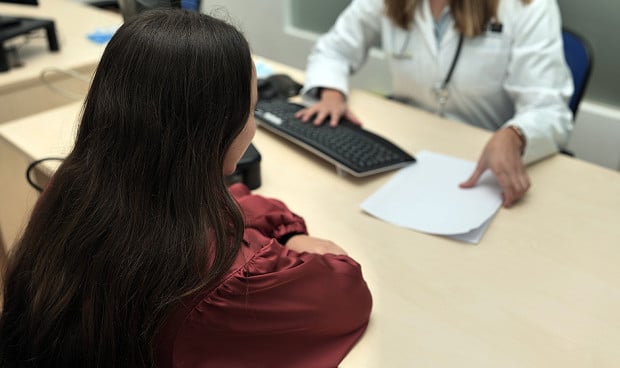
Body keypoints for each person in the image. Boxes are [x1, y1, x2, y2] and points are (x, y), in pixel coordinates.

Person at [0, 9, 372, 368]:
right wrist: (294, 238)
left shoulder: (76, 186)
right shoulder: (223, 282)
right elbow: (345, 294)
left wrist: (285, 230)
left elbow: (233, 203)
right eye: (251, 111)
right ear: (217, 131)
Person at [295, 0, 574, 208]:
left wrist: (516, 135)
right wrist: (331, 92)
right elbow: (334, 49)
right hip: (405, 156)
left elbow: (549, 108)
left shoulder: (528, 6)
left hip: (483, 170)